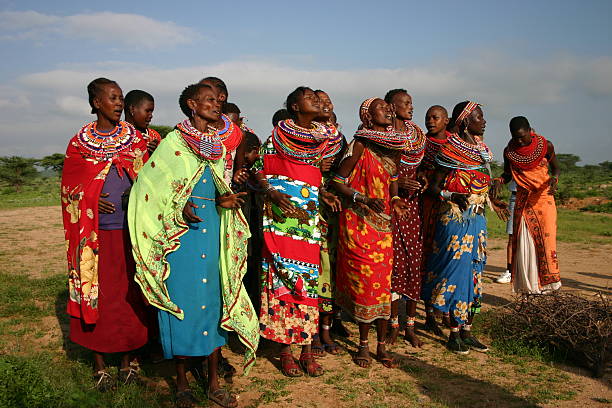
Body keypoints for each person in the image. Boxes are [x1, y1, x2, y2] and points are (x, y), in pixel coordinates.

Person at [128, 83, 259, 408]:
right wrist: (177, 203)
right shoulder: (173, 143)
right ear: (191, 104)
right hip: (180, 238)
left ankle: (213, 382)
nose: (216, 105)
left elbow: (216, 187)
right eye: (209, 101)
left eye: (218, 101)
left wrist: (223, 199)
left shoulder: (216, 146)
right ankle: (183, 384)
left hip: (211, 228)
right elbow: (148, 185)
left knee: (213, 301)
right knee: (183, 303)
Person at [61, 78, 150, 390]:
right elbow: (69, 188)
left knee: (128, 295)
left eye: (121, 98)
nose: (118, 104)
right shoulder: (79, 143)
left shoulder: (134, 139)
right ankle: (99, 364)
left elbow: (149, 179)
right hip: (95, 235)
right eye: (112, 98)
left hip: (130, 231)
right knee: (98, 294)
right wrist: (89, 194)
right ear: (96, 103)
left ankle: (127, 362)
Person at [253, 86, 339, 377]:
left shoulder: (321, 143)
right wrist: (270, 192)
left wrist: (323, 192)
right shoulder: (276, 138)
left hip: (308, 225)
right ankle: (284, 350)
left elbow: (314, 179)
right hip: (281, 220)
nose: (315, 100)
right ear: (294, 106)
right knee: (281, 281)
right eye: (309, 97)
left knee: (308, 285)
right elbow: (257, 168)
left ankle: (305, 348)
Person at [421, 101, 504, 355]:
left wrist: (492, 199)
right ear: (466, 121)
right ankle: (453, 334)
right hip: (455, 219)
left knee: (475, 272)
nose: (484, 120)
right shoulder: (449, 151)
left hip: (477, 219)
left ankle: (467, 330)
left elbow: (479, 185)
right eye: (479, 116)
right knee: (456, 273)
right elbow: (434, 188)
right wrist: (450, 195)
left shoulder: (481, 151)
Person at [332, 97, 409, 369]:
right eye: (382, 108)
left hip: (384, 225)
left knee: (382, 287)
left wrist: (396, 199)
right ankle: (363, 346)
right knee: (366, 287)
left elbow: (394, 179)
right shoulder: (360, 145)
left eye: (389, 108)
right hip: (359, 224)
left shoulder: (393, 148)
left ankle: (381, 345)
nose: (389, 110)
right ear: (367, 116)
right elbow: (338, 182)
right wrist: (363, 199)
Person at [493, 116, 561, 293]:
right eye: (515, 137)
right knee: (525, 244)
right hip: (523, 202)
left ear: (530, 131)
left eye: (522, 136)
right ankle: (530, 288)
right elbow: (508, 174)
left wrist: (555, 178)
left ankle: (548, 286)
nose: (520, 141)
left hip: (544, 199)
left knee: (546, 242)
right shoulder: (509, 152)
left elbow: (556, 168)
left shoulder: (546, 145)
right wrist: (500, 180)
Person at [384, 89, 427, 348]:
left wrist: (420, 177)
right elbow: (377, 172)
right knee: (392, 265)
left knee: (413, 262)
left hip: (413, 208)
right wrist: (398, 185)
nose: (411, 107)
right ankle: (393, 325)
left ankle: (410, 325)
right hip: (390, 206)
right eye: (406, 103)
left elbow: (421, 167)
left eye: (411, 102)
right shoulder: (381, 134)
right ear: (392, 105)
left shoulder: (417, 135)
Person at [310, 89, 346, 356]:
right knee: (311, 270)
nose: (326, 105)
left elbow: (345, 174)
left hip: (332, 211)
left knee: (329, 269)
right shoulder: (298, 137)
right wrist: (315, 169)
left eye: (328, 101)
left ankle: (326, 327)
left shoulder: (340, 141)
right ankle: (311, 330)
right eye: (320, 101)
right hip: (307, 210)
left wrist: (329, 179)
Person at [420, 105, 451, 336]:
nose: (431, 121)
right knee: (428, 256)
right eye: (428, 118)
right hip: (427, 204)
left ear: (446, 121)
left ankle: (447, 309)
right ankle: (429, 313)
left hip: (451, 205)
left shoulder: (455, 144)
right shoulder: (420, 142)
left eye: (435, 117)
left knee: (448, 257)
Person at [124, 90, 160, 155]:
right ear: (132, 109)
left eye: (151, 112)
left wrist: (156, 155)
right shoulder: (115, 135)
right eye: (147, 111)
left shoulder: (154, 137)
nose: (151, 115)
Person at [495, 179, 517, 283]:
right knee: (512, 235)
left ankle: (533, 272)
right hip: (516, 196)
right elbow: (507, 173)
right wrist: (499, 180)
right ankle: (510, 271)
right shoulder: (512, 161)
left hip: (533, 196)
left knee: (533, 235)